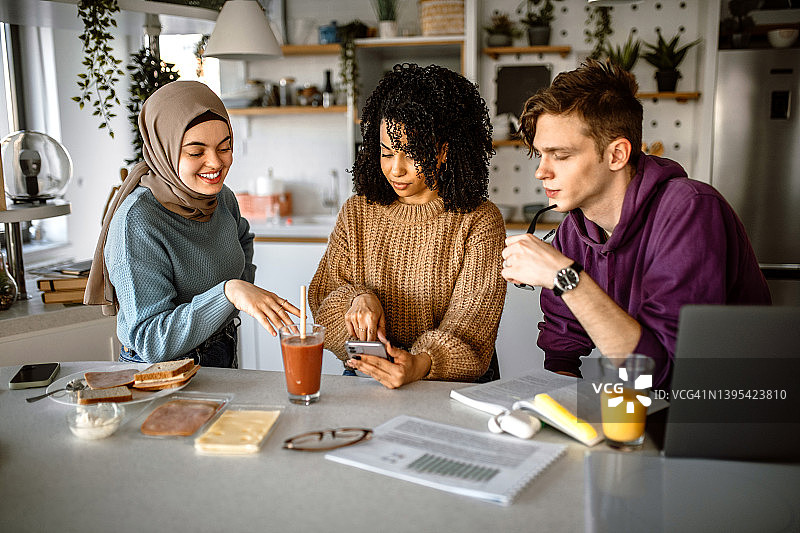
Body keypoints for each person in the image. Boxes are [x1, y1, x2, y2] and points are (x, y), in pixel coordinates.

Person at [501, 60, 771, 388]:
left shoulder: (690, 210)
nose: (541, 172)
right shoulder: (574, 229)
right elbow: (563, 349)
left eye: (560, 155)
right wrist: (557, 410)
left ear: (617, 155)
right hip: (651, 409)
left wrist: (566, 277)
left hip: (730, 410)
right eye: (540, 155)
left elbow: (667, 376)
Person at [309, 63, 507, 388]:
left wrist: (420, 363)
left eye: (411, 154)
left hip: (447, 381)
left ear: (443, 152)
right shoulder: (357, 212)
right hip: (368, 373)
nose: (396, 169)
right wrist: (357, 299)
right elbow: (323, 299)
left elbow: (471, 327)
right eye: (386, 153)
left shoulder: (479, 220)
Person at [85, 80, 300, 367]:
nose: (215, 163)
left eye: (224, 148)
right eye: (196, 152)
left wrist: (237, 289)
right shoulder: (138, 221)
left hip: (221, 349)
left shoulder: (222, 199)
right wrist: (228, 293)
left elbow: (243, 240)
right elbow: (150, 340)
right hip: (162, 372)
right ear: (165, 149)